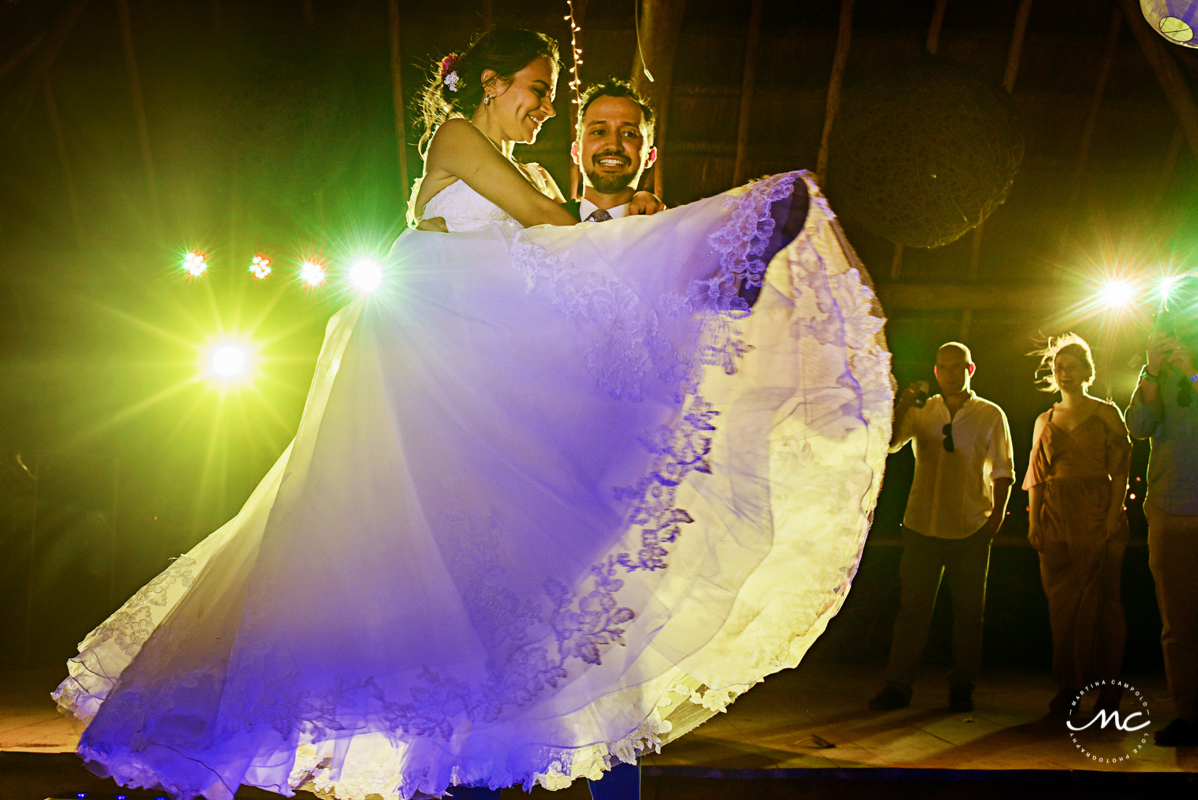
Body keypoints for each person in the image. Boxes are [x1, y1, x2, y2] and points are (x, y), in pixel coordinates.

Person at [53, 28, 893, 800]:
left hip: (488, 373)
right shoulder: (460, 139)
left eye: (551, 95)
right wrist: (629, 236)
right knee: (365, 568)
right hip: (437, 365)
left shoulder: (529, 170)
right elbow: (546, 229)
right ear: (489, 84)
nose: (544, 106)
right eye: (538, 87)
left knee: (494, 598)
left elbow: (548, 252)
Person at [870, 343, 1013, 714]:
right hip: (922, 524)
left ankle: (962, 686)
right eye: (943, 367)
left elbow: (1003, 470)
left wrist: (994, 520)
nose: (950, 373)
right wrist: (905, 403)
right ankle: (898, 686)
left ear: (971, 369)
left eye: (957, 367)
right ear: (936, 372)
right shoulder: (925, 411)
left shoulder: (989, 414)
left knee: (968, 614)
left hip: (970, 525)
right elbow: (890, 444)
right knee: (912, 611)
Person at [1024, 335, 1130, 718]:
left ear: (1088, 371)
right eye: (1058, 368)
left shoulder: (1105, 413)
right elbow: (1035, 475)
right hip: (1056, 515)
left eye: (1071, 366)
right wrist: (1034, 520)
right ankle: (1068, 687)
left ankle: (1108, 690)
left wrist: (1114, 513)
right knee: (1063, 606)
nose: (1063, 373)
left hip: (1098, 509)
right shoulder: (1044, 420)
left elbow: (1120, 468)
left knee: (1104, 602)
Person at [1127, 279, 1198, 747]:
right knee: (1178, 625)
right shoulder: (1157, 372)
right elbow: (1137, 427)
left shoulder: (1189, 369)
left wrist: (1192, 373)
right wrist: (1151, 372)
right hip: (1171, 509)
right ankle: (1188, 714)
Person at [565, 78, 657, 222]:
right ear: (576, 151)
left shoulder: (668, 229)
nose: (613, 145)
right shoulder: (542, 225)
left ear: (649, 156)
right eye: (599, 132)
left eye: (629, 134)